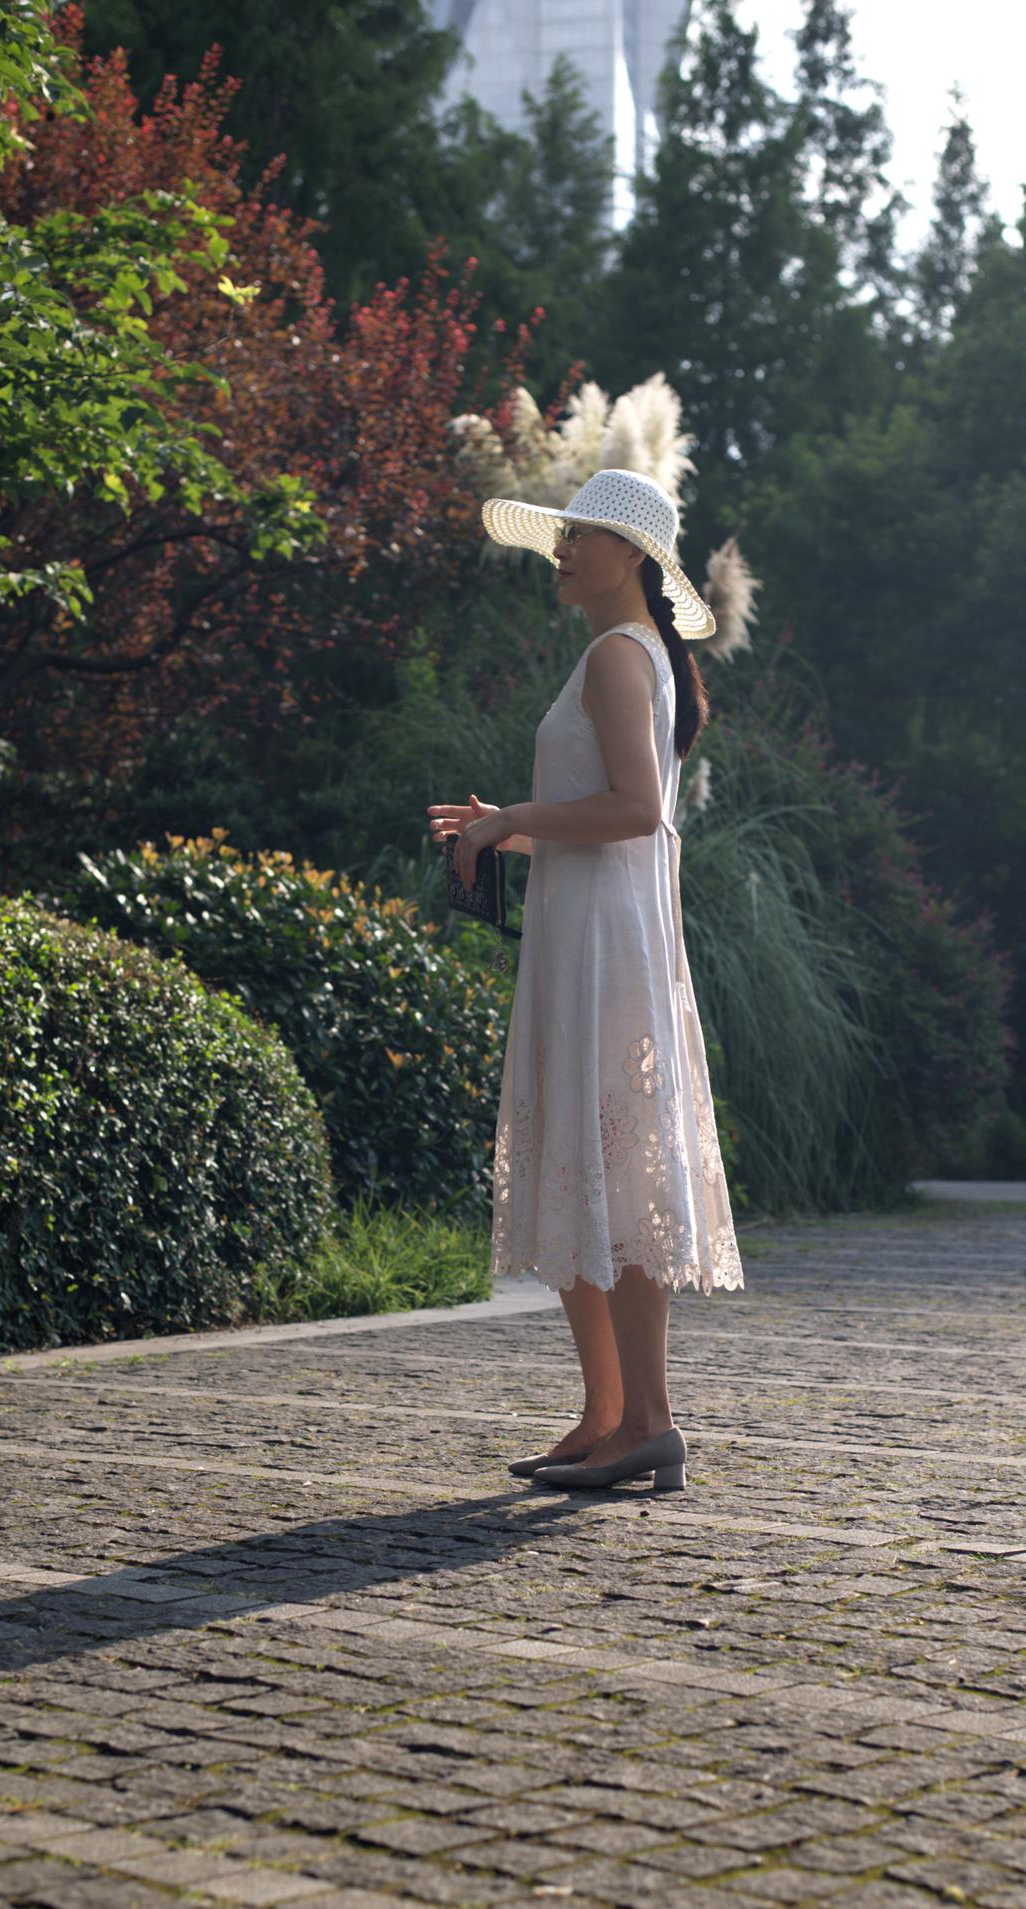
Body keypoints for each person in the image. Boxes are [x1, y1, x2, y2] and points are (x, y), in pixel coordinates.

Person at [428, 470, 744, 1493]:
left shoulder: (617, 653)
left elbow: (637, 812)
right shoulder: (631, 651)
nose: (560, 550)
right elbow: (606, 819)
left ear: (635, 555)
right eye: (560, 535)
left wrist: (513, 818)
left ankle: (645, 1418)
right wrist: (505, 827)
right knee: (598, 1156)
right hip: (599, 932)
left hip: (602, 945)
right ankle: (610, 1414)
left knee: (612, 1160)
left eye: (581, 535)